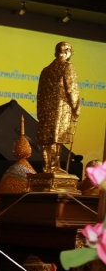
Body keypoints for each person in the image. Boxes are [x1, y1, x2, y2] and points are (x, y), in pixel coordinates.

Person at [36, 41, 80, 174]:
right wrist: (76, 109)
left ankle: (47, 167)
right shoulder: (67, 66)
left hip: (45, 109)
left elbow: (40, 93)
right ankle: (54, 167)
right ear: (66, 52)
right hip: (61, 109)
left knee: (48, 140)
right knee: (57, 137)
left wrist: (40, 112)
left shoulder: (46, 70)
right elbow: (72, 90)